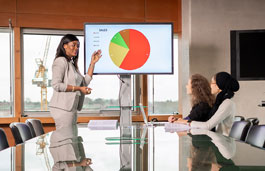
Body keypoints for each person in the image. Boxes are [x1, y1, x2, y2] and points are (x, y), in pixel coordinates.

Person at [49, 34, 102, 132]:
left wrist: (93, 63)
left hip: (71, 108)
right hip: (62, 108)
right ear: (64, 45)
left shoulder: (72, 65)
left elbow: (84, 83)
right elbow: (56, 85)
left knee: (70, 139)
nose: (76, 48)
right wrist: (79, 89)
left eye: (78, 46)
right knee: (66, 139)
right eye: (73, 45)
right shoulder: (61, 61)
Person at [176, 72, 240, 136]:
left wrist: (187, 122)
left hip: (224, 143)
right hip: (217, 140)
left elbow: (208, 125)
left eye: (212, 83)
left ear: (218, 86)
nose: (209, 85)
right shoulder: (220, 102)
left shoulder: (227, 103)